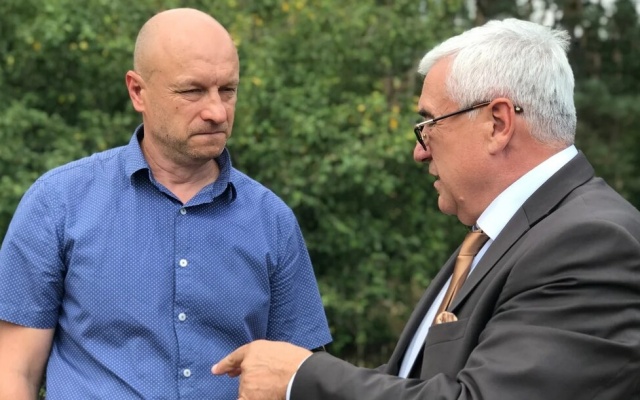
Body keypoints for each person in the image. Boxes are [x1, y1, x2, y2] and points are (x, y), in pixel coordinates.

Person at [212, 18, 640, 400]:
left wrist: (301, 379)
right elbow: (415, 380)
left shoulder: (591, 242)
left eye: (430, 124)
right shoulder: (500, 240)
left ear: (498, 123)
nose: (420, 152)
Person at [0, 8, 331, 399]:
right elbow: (13, 372)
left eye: (228, 90)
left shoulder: (271, 220)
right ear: (138, 92)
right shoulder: (59, 203)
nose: (217, 111)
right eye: (192, 91)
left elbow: (300, 378)